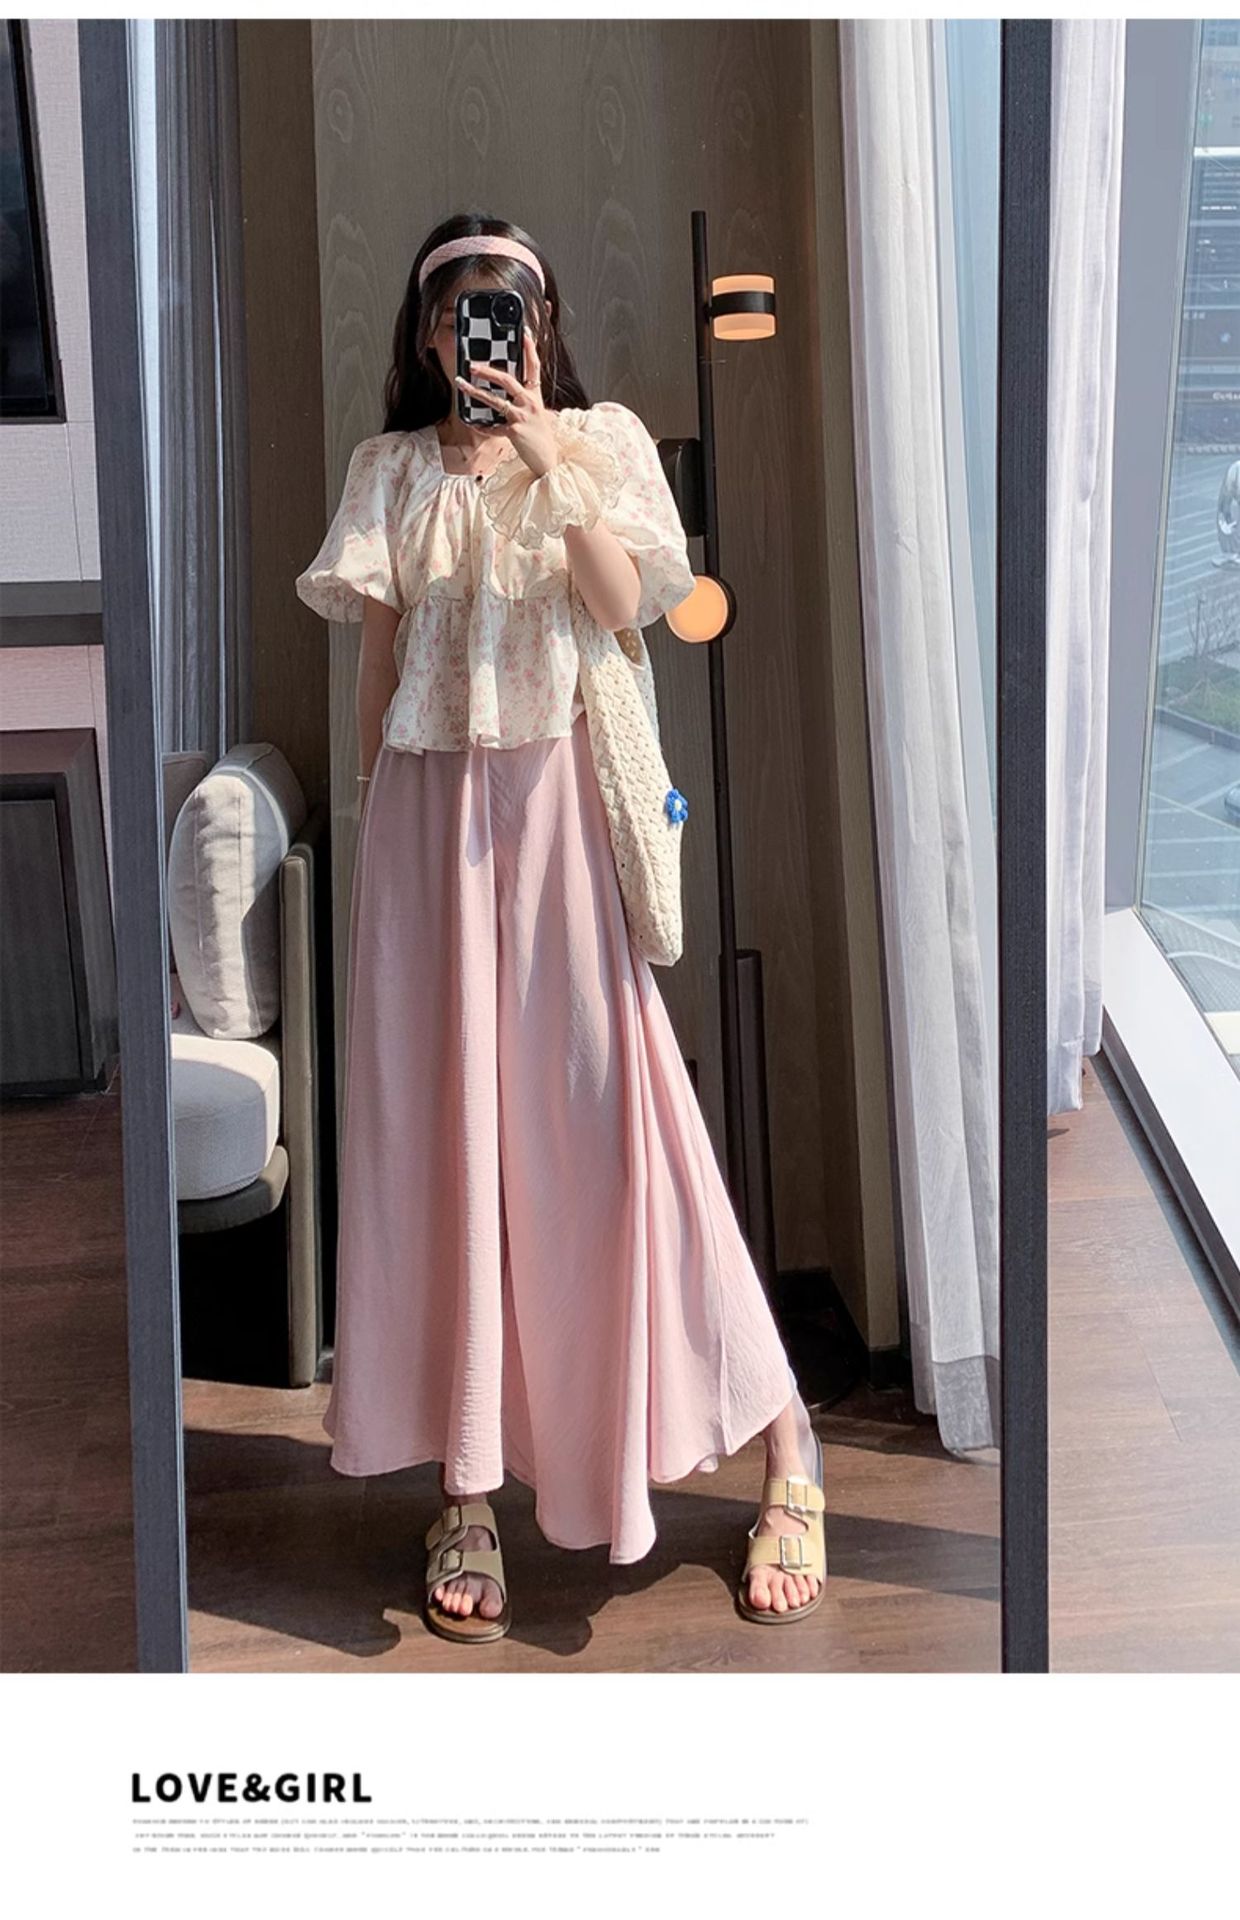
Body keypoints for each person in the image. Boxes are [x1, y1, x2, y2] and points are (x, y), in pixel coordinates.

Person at [295, 211, 826, 1643]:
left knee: (616, 1123)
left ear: (542, 327)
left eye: (509, 311)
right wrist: (372, 835)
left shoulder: (599, 445)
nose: (482, 335)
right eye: (459, 312)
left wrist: (542, 451)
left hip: (560, 817)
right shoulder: (388, 471)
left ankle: (783, 1432)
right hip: (425, 829)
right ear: (425, 335)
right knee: (447, 1145)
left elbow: (624, 604)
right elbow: (380, 664)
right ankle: (466, 1485)